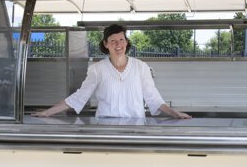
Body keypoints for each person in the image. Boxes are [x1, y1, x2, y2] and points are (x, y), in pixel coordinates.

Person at [33, 24, 191, 120]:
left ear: (126, 43)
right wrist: (48, 112)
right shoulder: (97, 69)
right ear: (106, 44)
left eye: (121, 40)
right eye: (113, 41)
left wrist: (175, 113)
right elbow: (79, 97)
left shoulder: (141, 67)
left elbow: (154, 98)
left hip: (135, 128)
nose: (118, 44)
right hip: (105, 127)